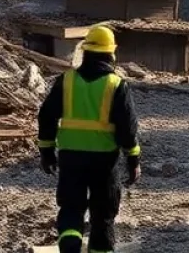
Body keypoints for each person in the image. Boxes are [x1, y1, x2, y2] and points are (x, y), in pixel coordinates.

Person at [37, 25, 142, 253]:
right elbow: (127, 128)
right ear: (111, 53)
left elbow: (46, 116)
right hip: (105, 160)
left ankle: (69, 249)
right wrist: (133, 159)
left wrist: (46, 152)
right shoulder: (116, 85)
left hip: (70, 157)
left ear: (85, 51)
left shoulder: (66, 81)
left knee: (71, 208)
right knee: (103, 214)